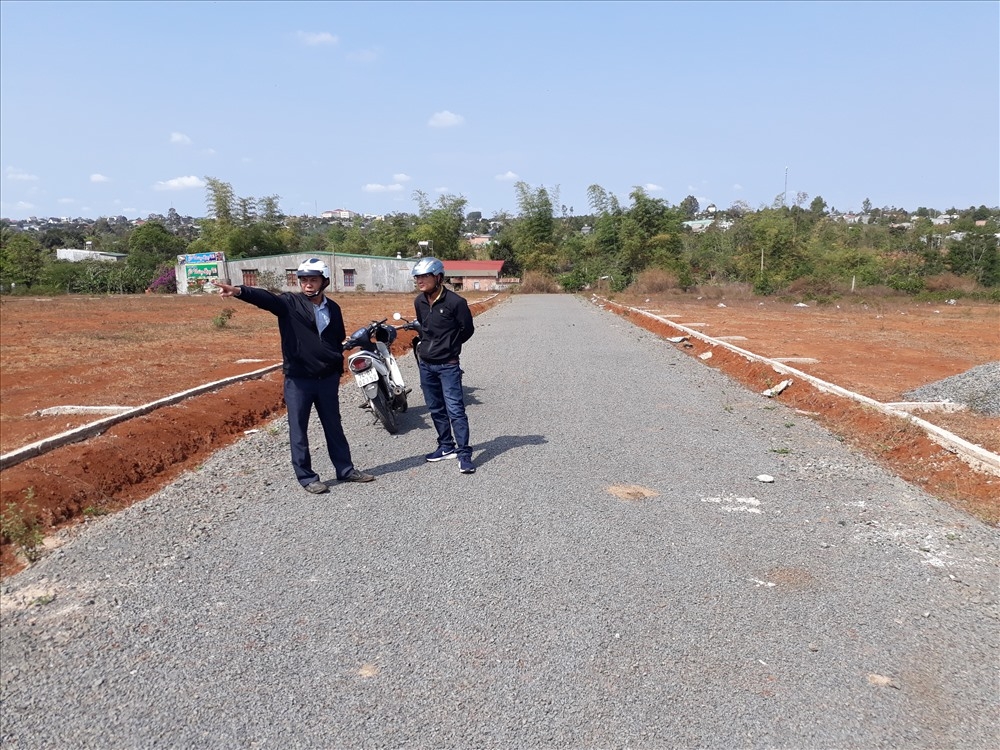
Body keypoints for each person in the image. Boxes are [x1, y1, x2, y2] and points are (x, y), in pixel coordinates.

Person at [215, 259, 375, 493]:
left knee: (334, 425)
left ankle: (345, 469)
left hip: (327, 379)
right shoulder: (289, 303)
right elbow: (266, 299)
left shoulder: (334, 308)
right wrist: (240, 291)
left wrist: (333, 361)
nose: (307, 285)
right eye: (303, 280)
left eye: (313, 279)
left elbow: (336, 337)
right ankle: (307, 477)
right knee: (298, 428)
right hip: (299, 379)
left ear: (324, 281)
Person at [411, 257, 476, 474]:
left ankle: (464, 453)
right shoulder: (419, 301)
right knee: (435, 408)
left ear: (438, 277)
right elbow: (425, 327)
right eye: (417, 277)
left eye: (424, 276)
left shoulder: (455, 302)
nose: (420, 281)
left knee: (455, 409)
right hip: (426, 365)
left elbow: (467, 329)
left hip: (448, 365)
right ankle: (446, 446)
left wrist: (450, 346)